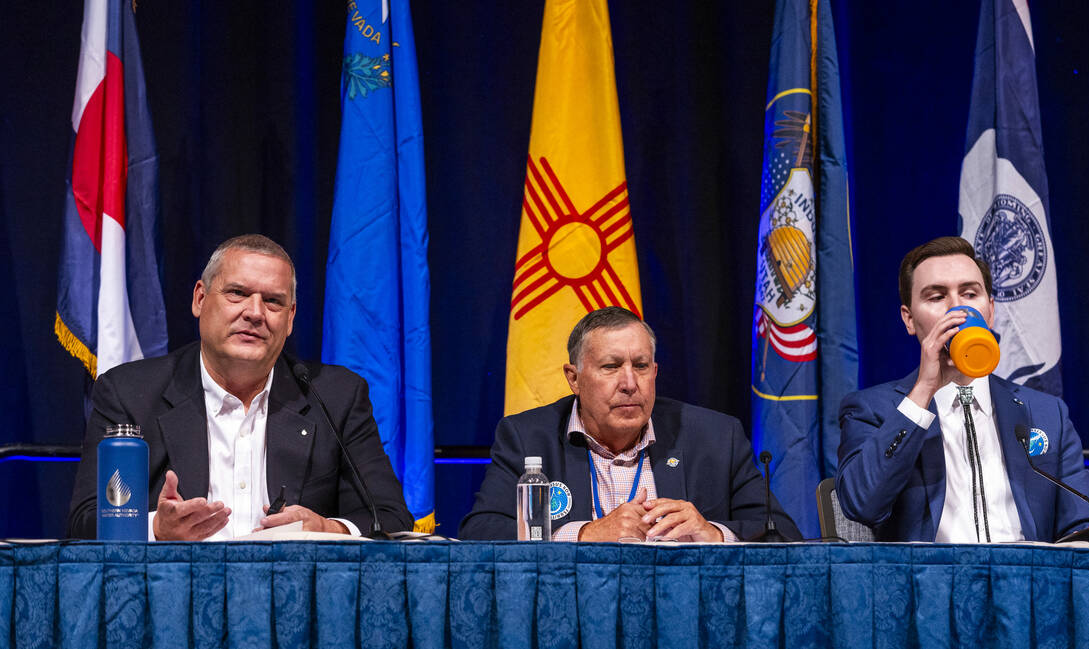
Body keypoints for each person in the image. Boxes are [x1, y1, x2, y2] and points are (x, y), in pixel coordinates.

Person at [67, 234, 412, 539]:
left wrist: (327, 529)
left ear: (290, 318)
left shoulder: (335, 396)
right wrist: (156, 529)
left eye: (273, 301)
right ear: (200, 299)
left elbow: (391, 517)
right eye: (237, 293)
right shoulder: (131, 392)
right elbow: (84, 521)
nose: (255, 312)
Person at [836, 236, 1089, 542]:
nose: (957, 309)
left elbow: (1078, 525)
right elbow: (860, 505)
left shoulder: (1046, 413)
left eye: (969, 293)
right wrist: (922, 392)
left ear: (989, 310)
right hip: (929, 586)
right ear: (909, 320)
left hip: (1026, 584)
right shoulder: (872, 409)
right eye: (936, 297)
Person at [459, 306, 801, 542]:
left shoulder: (715, 437)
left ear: (654, 373)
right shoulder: (528, 437)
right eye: (610, 366)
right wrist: (584, 534)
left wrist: (711, 533)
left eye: (640, 366)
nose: (629, 383)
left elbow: (781, 533)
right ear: (574, 378)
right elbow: (481, 532)